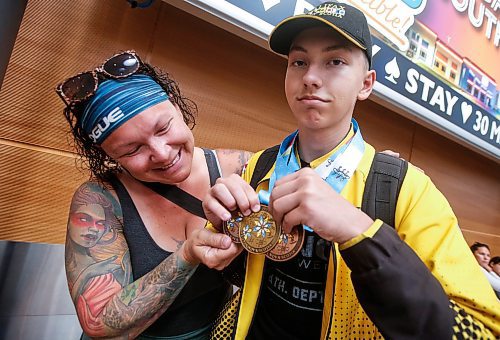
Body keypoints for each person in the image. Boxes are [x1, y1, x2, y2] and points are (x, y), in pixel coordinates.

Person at [202, 2, 500, 339]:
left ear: (366, 84)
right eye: (299, 62)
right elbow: (251, 277)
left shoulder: (406, 190)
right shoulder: (261, 165)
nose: (310, 77)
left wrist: (359, 232)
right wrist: (224, 234)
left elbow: (481, 331)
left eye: (335, 62)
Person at [56, 51, 245, 339]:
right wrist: (187, 255)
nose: (162, 154)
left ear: (175, 105)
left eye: (164, 128)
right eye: (132, 150)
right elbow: (99, 322)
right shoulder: (100, 201)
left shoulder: (240, 167)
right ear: (109, 156)